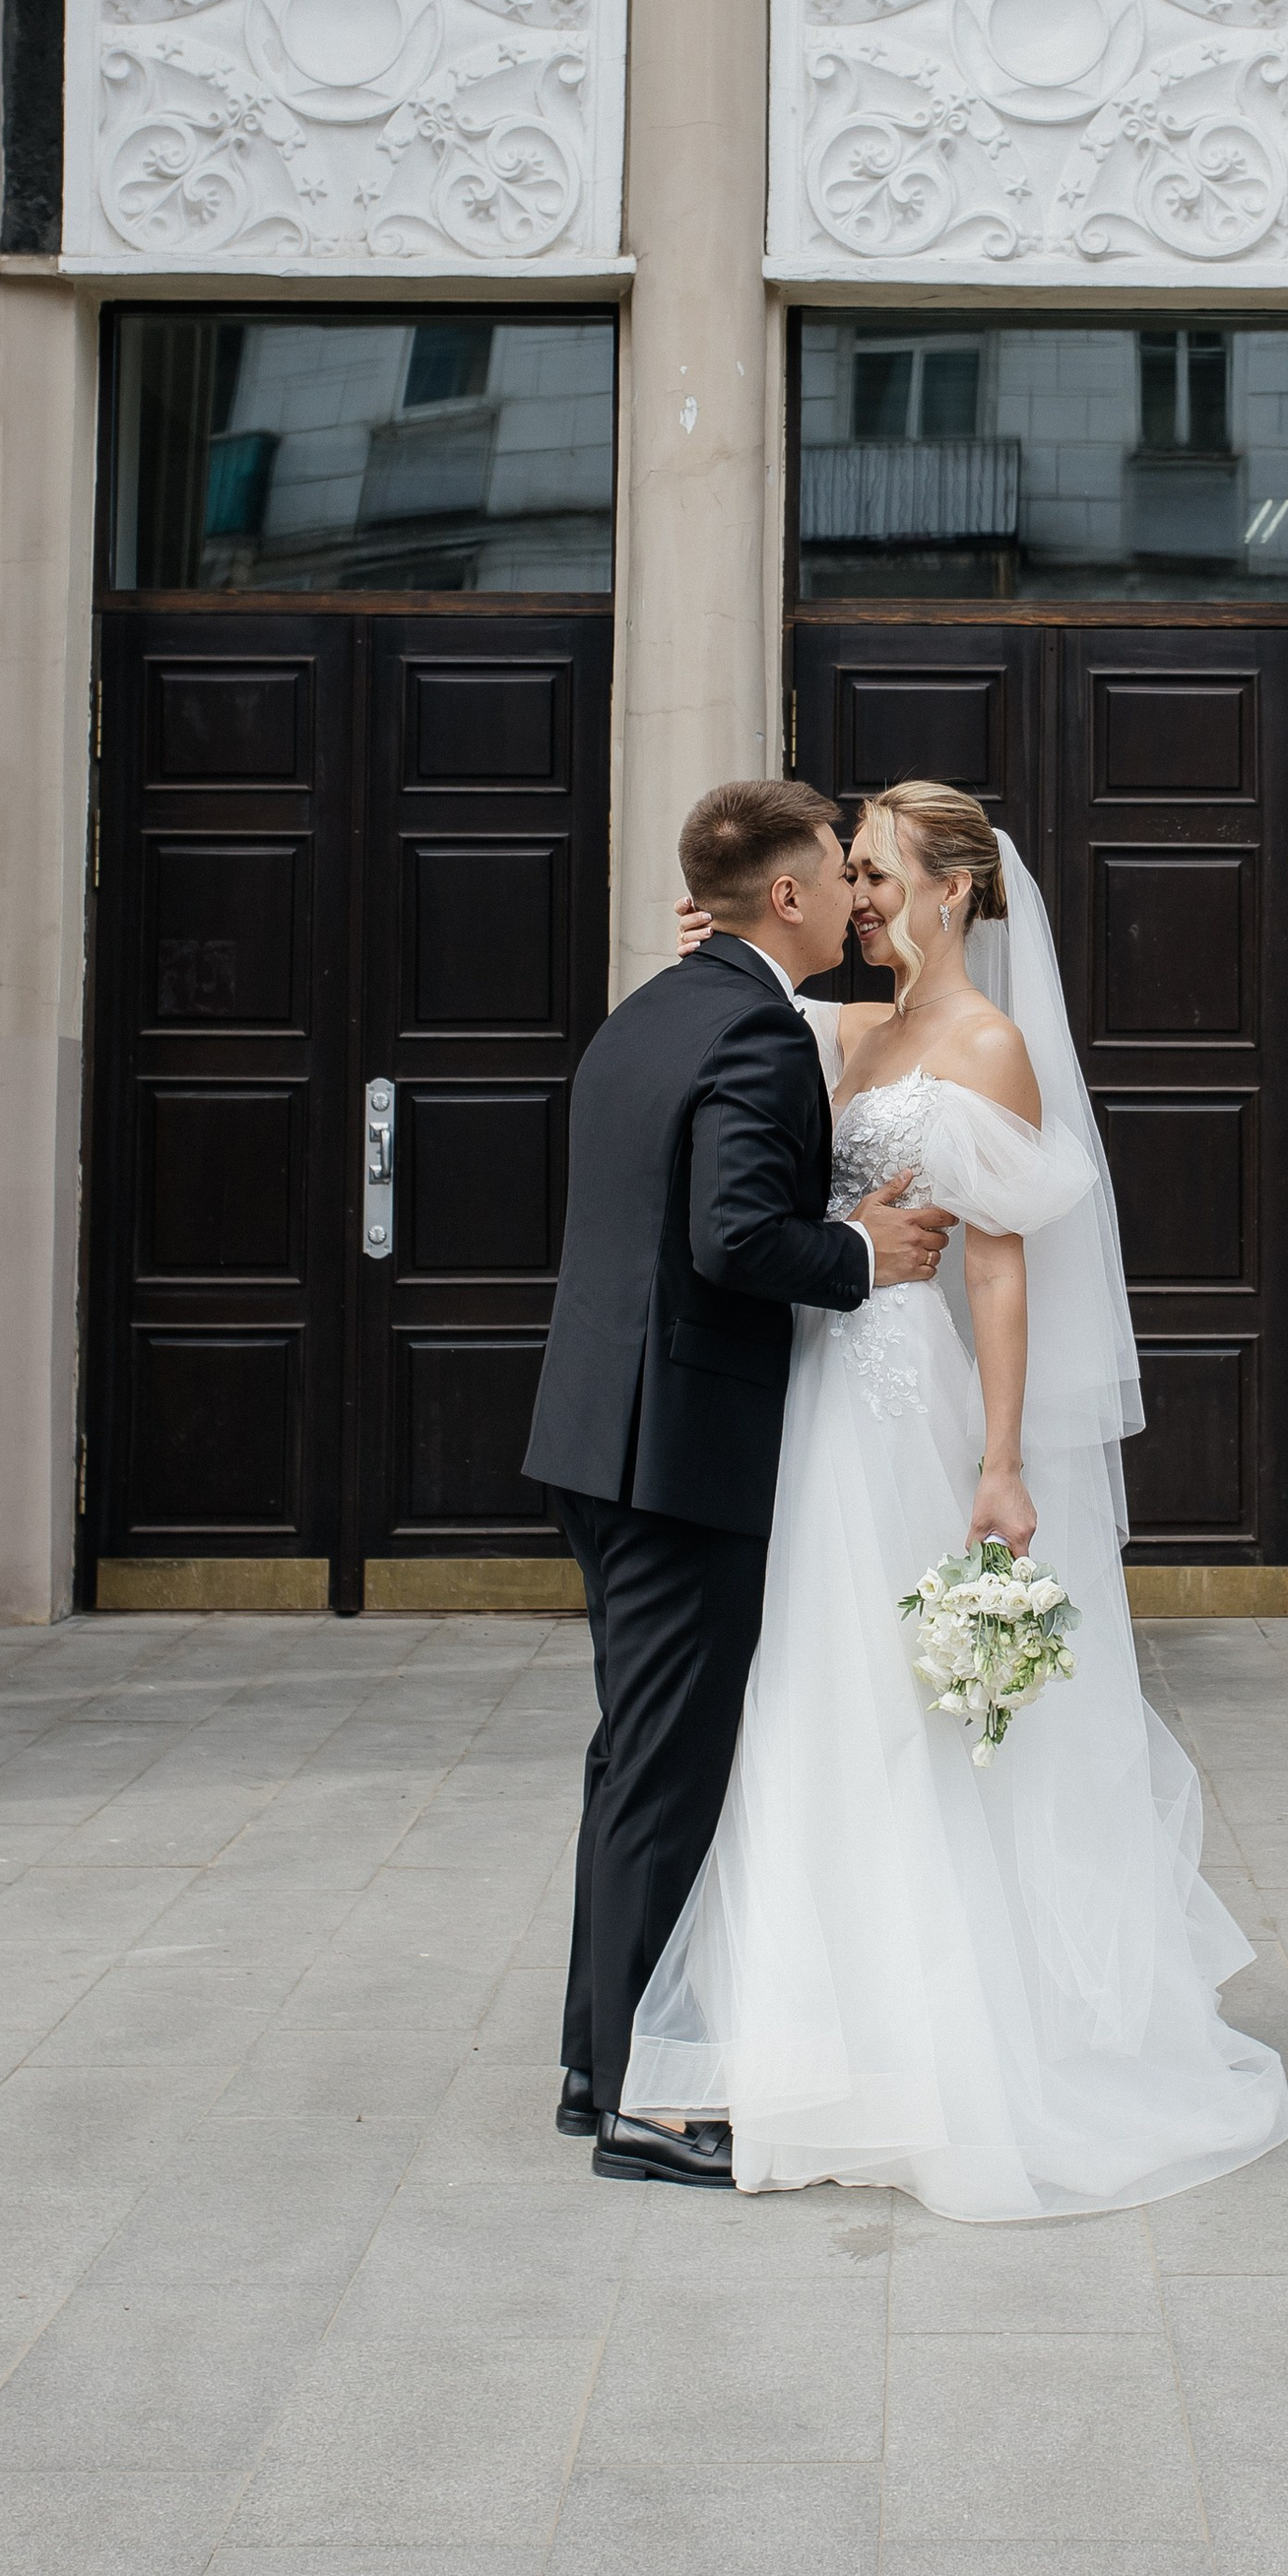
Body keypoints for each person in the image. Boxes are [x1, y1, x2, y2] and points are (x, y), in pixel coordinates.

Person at [624, 778, 1288, 2222]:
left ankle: (945, 2048)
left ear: (955, 890)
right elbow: (755, 1018)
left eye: (872, 872)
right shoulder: (856, 1030)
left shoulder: (988, 1048)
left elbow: (1000, 1266)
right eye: (848, 873)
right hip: (812, 1400)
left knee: (899, 1711)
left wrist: (999, 1462)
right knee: (803, 1701)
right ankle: (815, 2032)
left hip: (904, 1413)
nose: (855, 896)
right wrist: (722, 937)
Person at [522, 778, 956, 2185]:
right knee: (668, 1773)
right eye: (839, 868)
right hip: (678, 1459)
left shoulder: (656, 1008)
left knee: (631, 1759)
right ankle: (650, 2102)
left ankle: (601, 2061)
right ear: (788, 896)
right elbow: (727, 1237)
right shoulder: (757, 1037)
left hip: (599, 1439)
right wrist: (860, 1256)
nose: (854, 890)